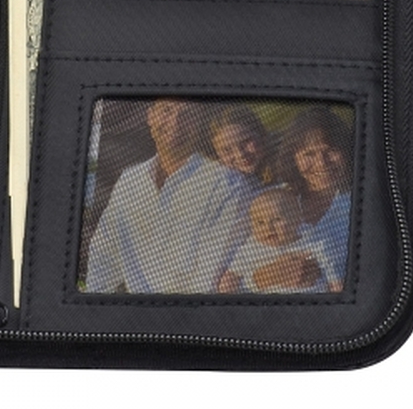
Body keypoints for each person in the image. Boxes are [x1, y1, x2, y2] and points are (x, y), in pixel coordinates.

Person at [85, 98, 253, 294]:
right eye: (166, 110)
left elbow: (210, 281)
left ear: (200, 121)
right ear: (150, 116)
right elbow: (103, 256)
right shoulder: (130, 180)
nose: (175, 123)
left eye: (188, 114)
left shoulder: (228, 184)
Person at [264, 107, 354, 292]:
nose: (321, 163)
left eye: (330, 150)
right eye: (309, 154)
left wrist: (321, 274)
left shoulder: (362, 202)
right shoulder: (273, 198)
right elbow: (243, 265)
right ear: (293, 158)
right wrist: (268, 275)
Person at [218, 186, 337, 293]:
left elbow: (333, 277)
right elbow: (232, 275)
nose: (268, 228)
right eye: (260, 223)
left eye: (277, 220)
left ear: (297, 220)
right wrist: (227, 290)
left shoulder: (313, 242)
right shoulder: (251, 248)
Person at [209, 104, 274, 185]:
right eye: (227, 150)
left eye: (246, 142)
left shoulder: (282, 162)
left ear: (262, 135)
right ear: (218, 155)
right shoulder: (222, 177)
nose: (240, 154)